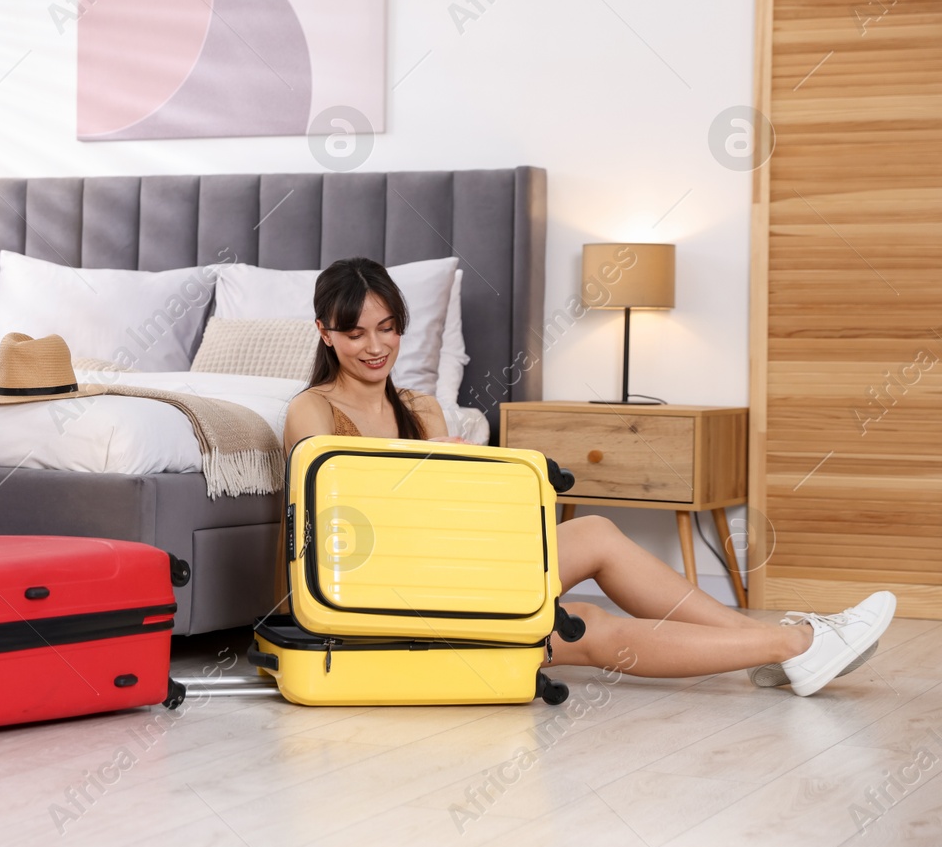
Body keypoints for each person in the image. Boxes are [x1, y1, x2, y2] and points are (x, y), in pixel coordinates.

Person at [280, 257, 894, 697]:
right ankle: (798, 645)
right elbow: (333, 520)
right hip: (380, 591)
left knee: (596, 529)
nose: (373, 346)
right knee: (587, 624)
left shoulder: (422, 409)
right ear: (324, 333)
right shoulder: (311, 410)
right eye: (354, 331)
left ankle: (788, 643)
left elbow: (456, 517)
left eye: (386, 328)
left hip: (446, 571)